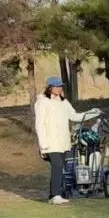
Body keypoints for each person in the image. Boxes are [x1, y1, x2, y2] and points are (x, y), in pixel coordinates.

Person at [34, 77, 100, 205]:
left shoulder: (64, 102)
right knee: (57, 165)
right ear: (50, 88)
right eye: (56, 86)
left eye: (60, 86)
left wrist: (92, 113)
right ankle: (56, 196)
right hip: (50, 142)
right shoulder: (43, 102)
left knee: (58, 168)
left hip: (62, 142)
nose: (59, 89)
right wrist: (43, 144)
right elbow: (39, 125)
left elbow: (75, 116)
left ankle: (53, 195)